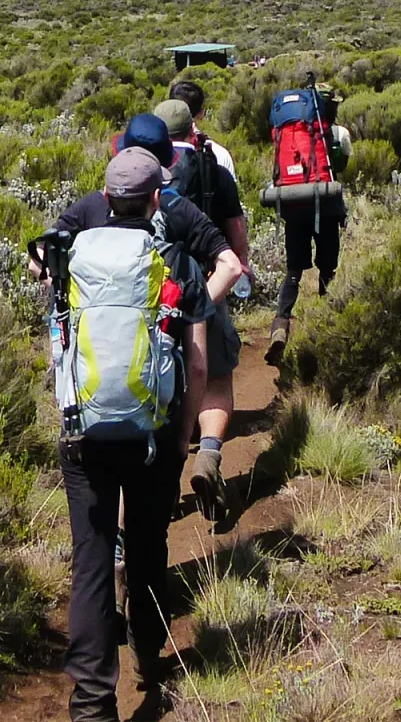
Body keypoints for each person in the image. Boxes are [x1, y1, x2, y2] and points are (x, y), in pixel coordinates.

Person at [34, 146, 246, 721]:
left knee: (93, 559)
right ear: (157, 198)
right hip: (153, 430)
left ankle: (93, 703)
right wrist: (184, 436)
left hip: (84, 434)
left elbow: (60, 340)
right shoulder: (171, 258)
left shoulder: (74, 255)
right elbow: (199, 365)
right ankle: (149, 653)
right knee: (150, 544)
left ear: (106, 197)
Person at [126, 108, 245, 523]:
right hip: (203, 288)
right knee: (214, 378)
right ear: (188, 131)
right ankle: (208, 454)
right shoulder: (213, 164)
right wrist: (205, 302)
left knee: (149, 387)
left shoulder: (122, 184)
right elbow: (235, 236)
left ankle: (156, 492)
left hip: (140, 305)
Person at [267, 84, 352, 365]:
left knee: (293, 271)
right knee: (327, 268)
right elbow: (342, 164)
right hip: (325, 204)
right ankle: (327, 326)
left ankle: (280, 326)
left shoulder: (286, 131)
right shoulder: (337, 133)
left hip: (293, 203)